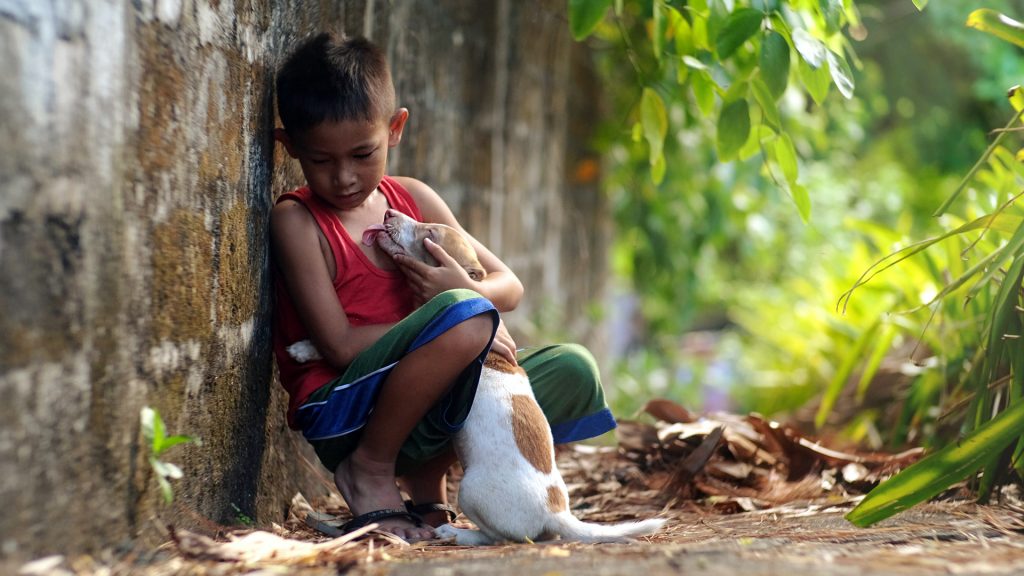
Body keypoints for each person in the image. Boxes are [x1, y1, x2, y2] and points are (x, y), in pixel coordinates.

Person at [270, 32, 616, 542]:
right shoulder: (297, 222)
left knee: (571, 369)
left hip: (427, 403)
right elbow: (339, 346)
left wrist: (460, 295)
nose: (344, 177)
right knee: (465, 318)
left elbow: (509, 285)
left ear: (395, 129)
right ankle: (370, 468)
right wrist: (453, 320)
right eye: (321, 161)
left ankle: (427, 482)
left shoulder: (411, 197)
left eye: (362, 154)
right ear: (291, 147)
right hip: (346, 411)